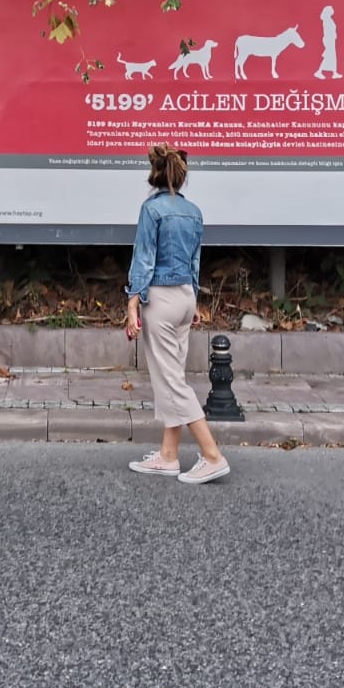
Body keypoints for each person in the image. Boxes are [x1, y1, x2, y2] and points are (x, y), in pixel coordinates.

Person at [124, 144, 230, 483]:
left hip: (161, 300)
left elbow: (144, 259)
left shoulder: (151, 210)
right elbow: (196, 260)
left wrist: (131, 303)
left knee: (171, 382)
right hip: (185, 297)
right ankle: (168, 456)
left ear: (154, 176)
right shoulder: (194, 212)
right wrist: (194, 300)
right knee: (174, 377)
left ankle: (212, 455)